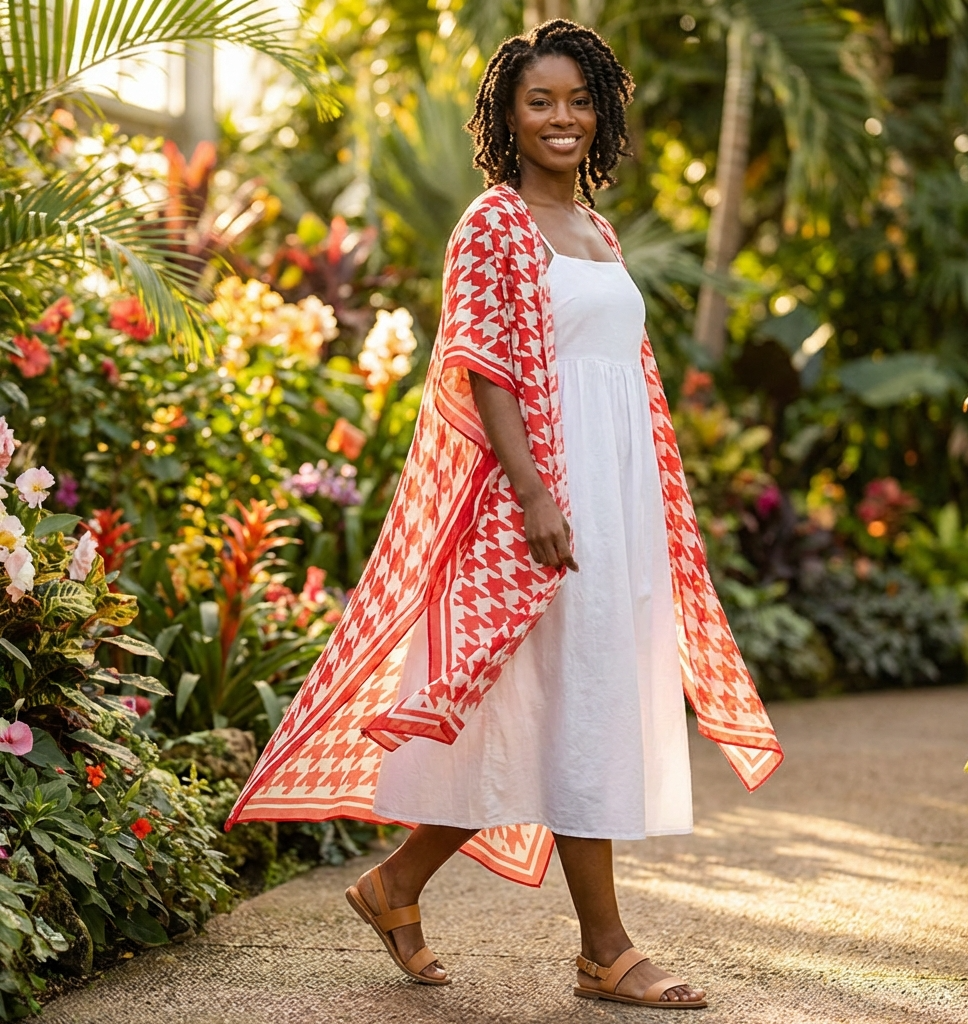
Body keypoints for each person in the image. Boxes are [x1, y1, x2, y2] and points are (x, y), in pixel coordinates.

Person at [227, 19, 782, 1011]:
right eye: (540, 101)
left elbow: (619, 374)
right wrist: (533, 494)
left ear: (600, 112)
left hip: (615, 499)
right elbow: (482, 366)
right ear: (509, 118)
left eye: (578, 100)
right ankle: (605, 950)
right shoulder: (494, 223)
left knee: (554, 711)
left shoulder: (598, 230)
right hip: (544, 506)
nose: (562, 117)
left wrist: (647, 502)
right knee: (576, 706)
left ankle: (396, 884)